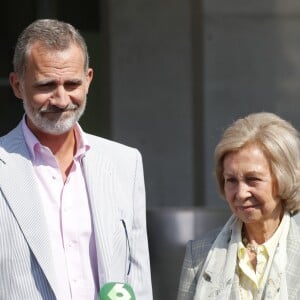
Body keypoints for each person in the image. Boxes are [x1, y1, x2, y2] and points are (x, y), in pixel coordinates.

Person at [0, 19, 153, 299]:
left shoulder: (124, 163)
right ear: (17, 85)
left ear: (88, 80)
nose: (61, 99)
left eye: (72, 84)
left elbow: (137, 277)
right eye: (46, 85)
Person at [177, 112, 300, 299]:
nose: (241, 193)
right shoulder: (199, 253)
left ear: (283, 178)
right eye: (231, 180)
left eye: (253, 179)